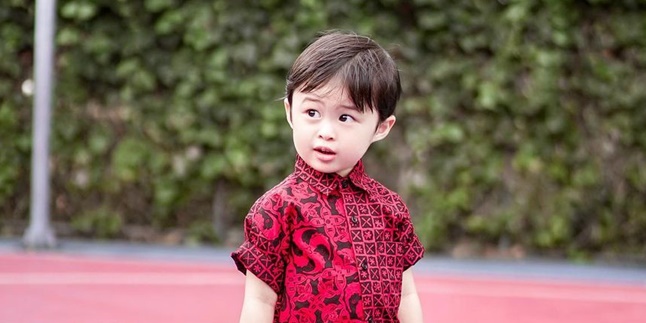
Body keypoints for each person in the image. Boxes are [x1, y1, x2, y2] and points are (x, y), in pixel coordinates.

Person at [231, 30, 425, 323]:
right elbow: (259, 301)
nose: (325, 131)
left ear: (382, 128)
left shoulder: (390, 207)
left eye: (345, 117)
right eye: (311, 112)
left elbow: (406, 294)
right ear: (290, 112)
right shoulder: (277, 209)